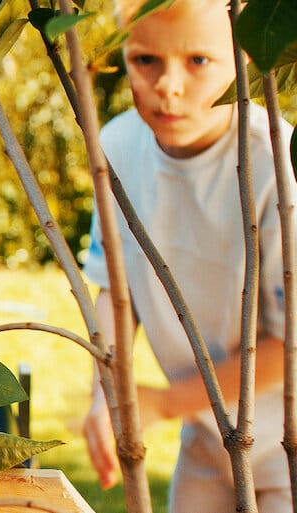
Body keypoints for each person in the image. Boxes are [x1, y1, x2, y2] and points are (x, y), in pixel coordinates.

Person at [82, 0, 295, 511]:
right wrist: (106, 397)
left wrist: (163, 402)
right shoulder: (116, 146)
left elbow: (289, 347)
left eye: (198, 61)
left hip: (289, 443)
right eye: (146, 60)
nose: (168, 86)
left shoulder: (275, 165)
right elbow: (118, 292)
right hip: (206, 437)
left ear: (244, 59)